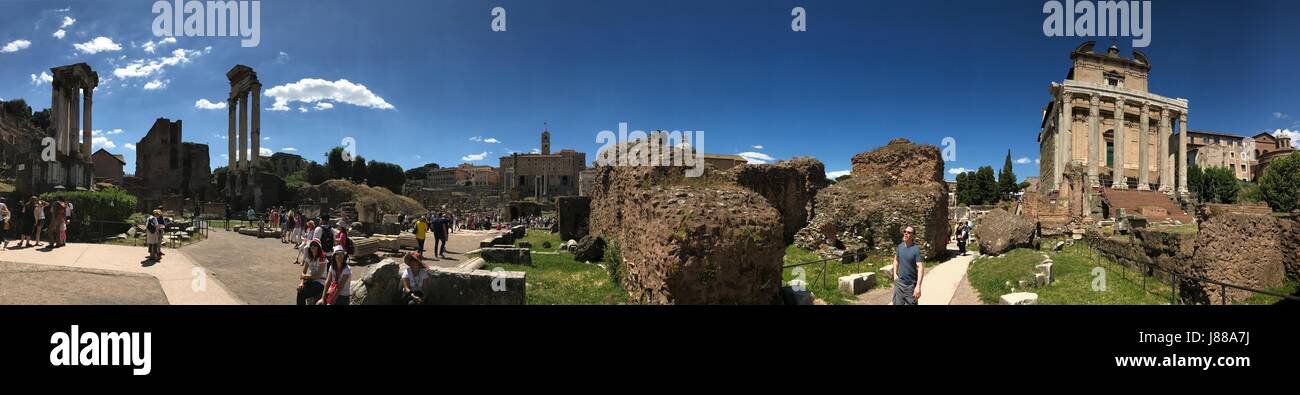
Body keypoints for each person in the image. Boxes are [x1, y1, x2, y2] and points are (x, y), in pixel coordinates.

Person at [891, 226, 924, 305]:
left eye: (909, 232)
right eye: (905, 231)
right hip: (899, 284)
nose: (906, 233)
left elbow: (920, 267)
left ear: (913, 236)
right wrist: (895, 274)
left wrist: (918, 286)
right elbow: (896, 260)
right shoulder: (900, 247)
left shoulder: (916, 249)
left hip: (910, 286)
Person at [296, 239, 328, 305]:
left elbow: (318, 276)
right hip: (311, 280)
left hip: (320, 281)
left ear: (318, 247)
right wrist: (301, 283)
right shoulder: (309, 258)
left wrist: (305, 276)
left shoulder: (322, 258)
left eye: (315, 245)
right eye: (311, 245)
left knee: (302, 292)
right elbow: (303, 272)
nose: (313, 246)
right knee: (300, 289)